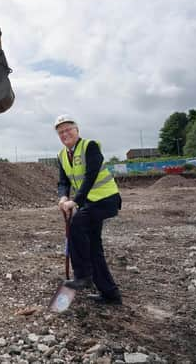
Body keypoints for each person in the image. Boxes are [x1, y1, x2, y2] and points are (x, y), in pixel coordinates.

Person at [54, 114, 123, 305]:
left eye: (68, 129)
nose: (65, 134)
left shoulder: (90, 146)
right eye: (61, 132)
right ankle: (110, 294)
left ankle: (83, 275)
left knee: (76, 223)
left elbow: (91, 176)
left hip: (106, 201)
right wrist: (63, 196)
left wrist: (75, 201)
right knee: (94, 247)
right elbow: (63, 181)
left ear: (77, 130)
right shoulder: (61, 156)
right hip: (89, 204)